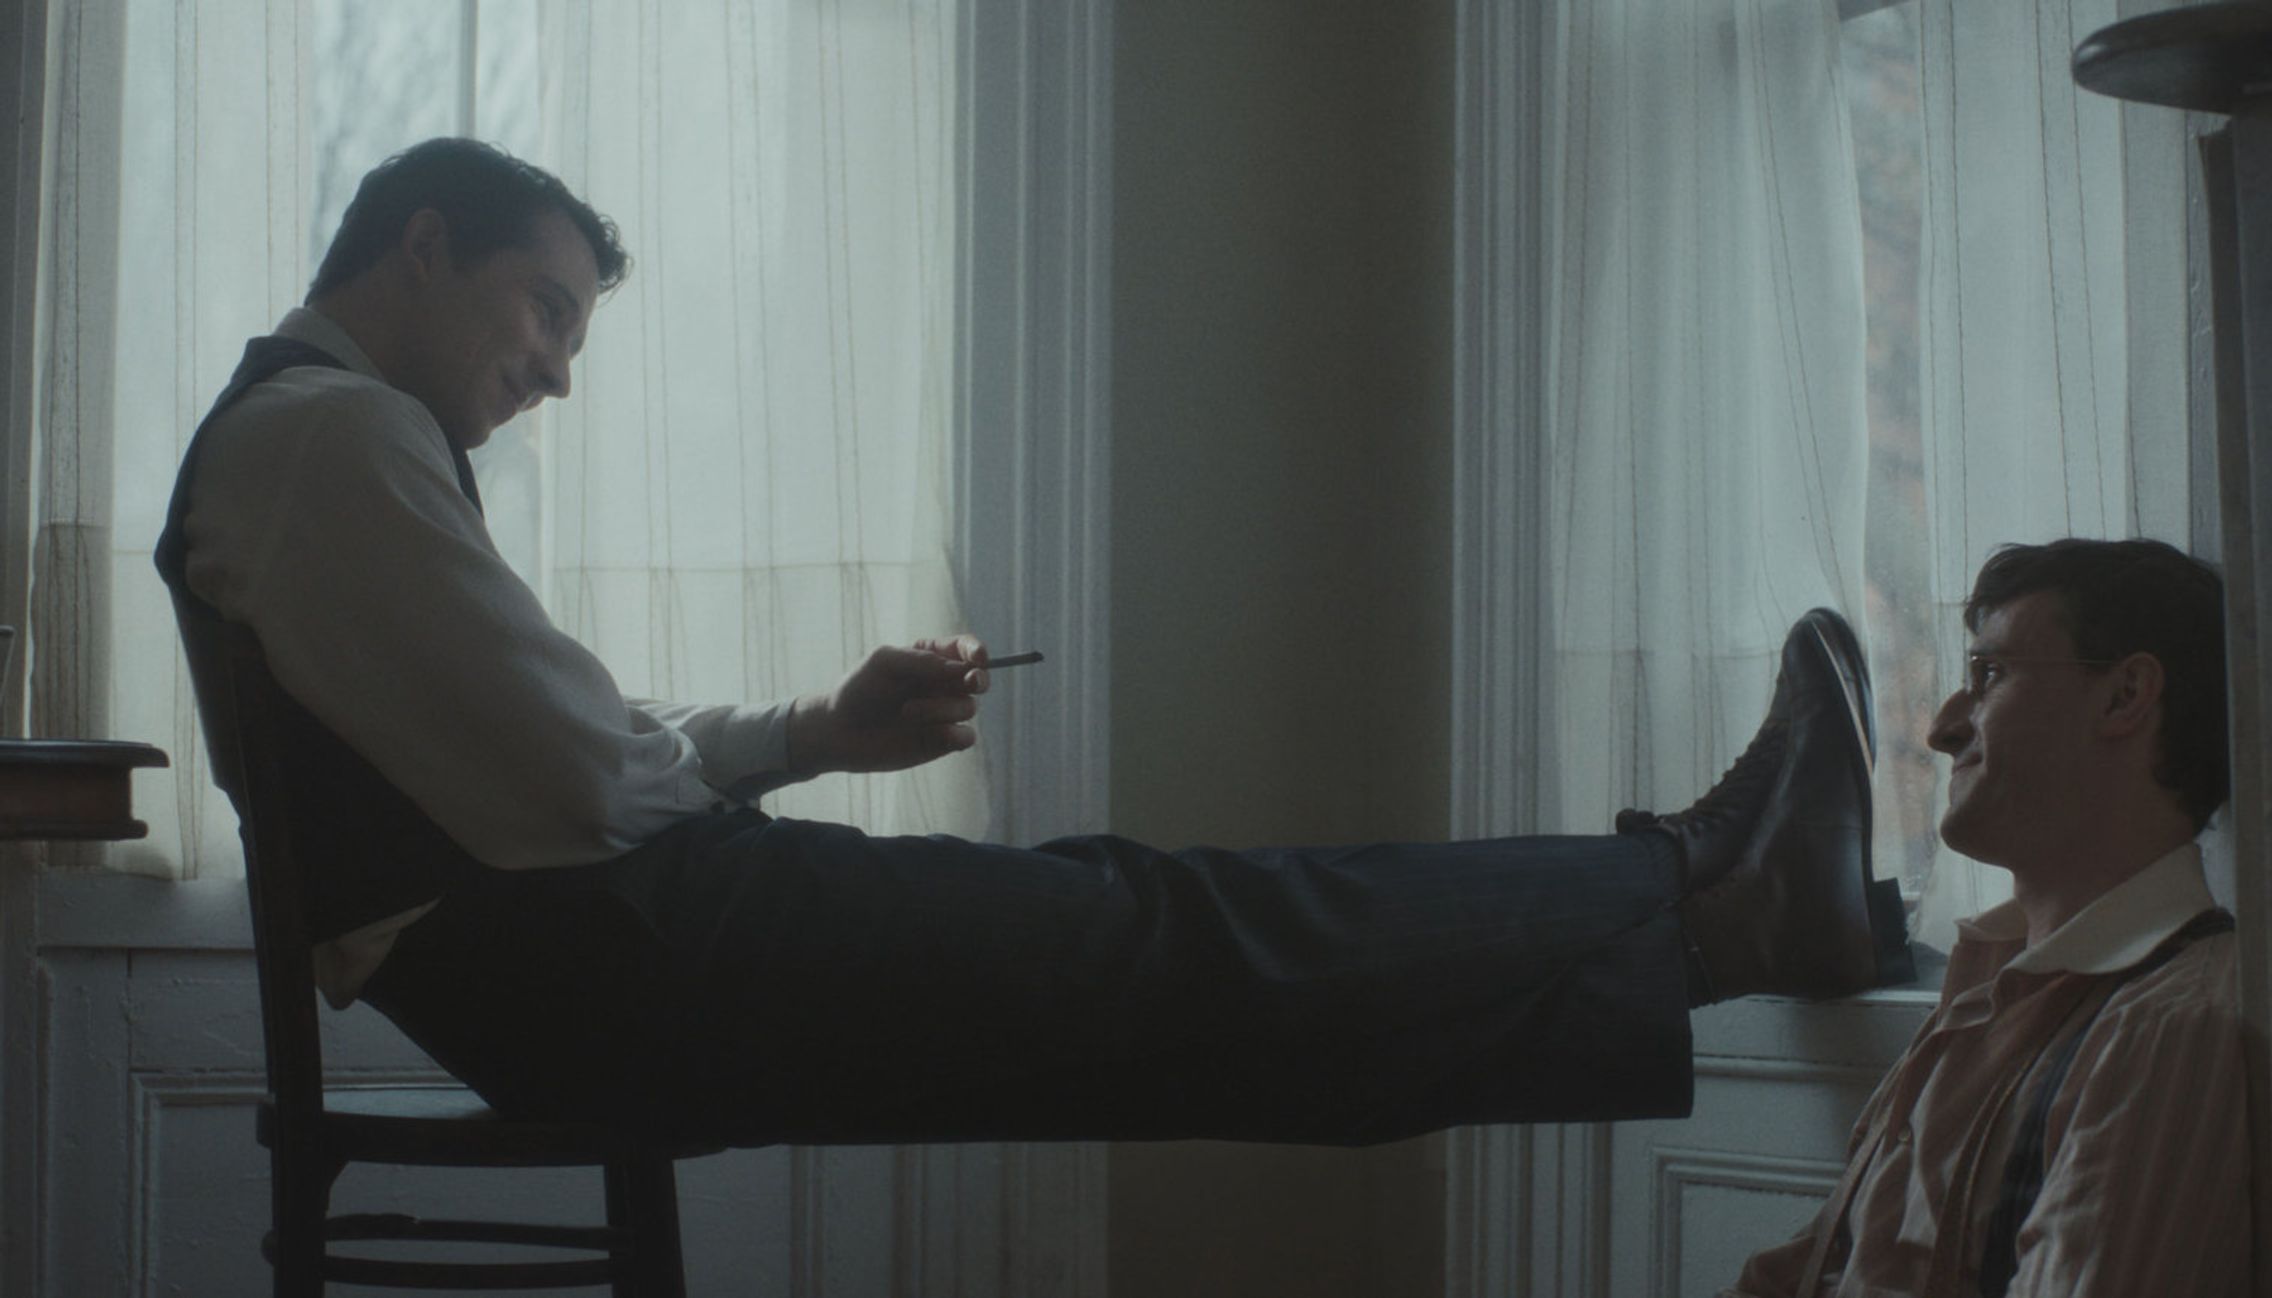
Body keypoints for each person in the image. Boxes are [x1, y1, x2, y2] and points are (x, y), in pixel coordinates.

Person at [157, 137, 1909, 1149]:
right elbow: (577, 769)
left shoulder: (316, 443)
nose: (554, 369)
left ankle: (1730, 920)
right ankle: (1697, 885)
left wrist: (814, 729)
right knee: (1172, 933)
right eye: (546, 310)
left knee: (1183, 1002)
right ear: (423, 244)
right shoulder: (335, 436)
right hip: (610, 965)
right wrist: (783, 750)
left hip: (576, 978)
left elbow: (556, 740)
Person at [1724, 538, 2250, 1298]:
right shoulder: (1986, 986)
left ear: (2125, 697)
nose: (1941, 728)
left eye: (1990, 675)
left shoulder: (2170, 1025)